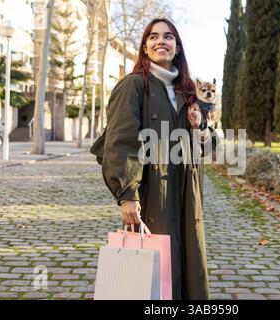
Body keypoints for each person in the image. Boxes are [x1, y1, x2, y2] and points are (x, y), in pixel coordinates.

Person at [101, 18, 218, 300]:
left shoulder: (188, 92)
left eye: (168, 37)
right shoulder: (134, 86)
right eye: (153, 37)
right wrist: (128, 194)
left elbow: (211, 144)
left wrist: (199, 127)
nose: (160, 41)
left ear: (177, 48)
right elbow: (121, 140)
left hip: (188, 196)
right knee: (154, 277)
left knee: (187, 267)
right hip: (153, 193)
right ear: (145, 47)